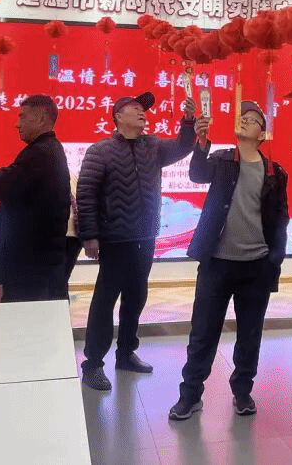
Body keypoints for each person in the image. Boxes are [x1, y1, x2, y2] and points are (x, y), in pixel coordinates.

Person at [169, 101, 289, 420]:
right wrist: (201, 144)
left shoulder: (275, 172)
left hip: (256, 267)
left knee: (249, 336)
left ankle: (243, 392)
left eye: (253, 120)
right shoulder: (222, 160)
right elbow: (196, 174)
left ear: (262, 134)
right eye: (243, 117)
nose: (245, 121)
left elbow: (280, 219)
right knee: (203, 334)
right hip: (217, 264)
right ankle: (190, 395)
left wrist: (274, 261)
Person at [77, 92, 202, 392]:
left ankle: (126, 353)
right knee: (105, 300)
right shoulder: (100, 151)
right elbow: (86, 195)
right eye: (134, 108)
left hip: (145, 236)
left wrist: (188, 121)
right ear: (118, 116)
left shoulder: (153, 146)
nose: (142, 112)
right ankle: (93, 364)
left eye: (143, 109)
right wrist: (90, 236)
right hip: (114, 238)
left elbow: (184, 146)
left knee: (136, 297)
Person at [0, 94, 71, 303]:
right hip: (37, 259)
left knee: (25, 316)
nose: (18, 124)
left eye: (23, 116)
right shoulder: (46, 149)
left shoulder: (41, 153)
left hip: (32, 263)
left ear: (42, 119)